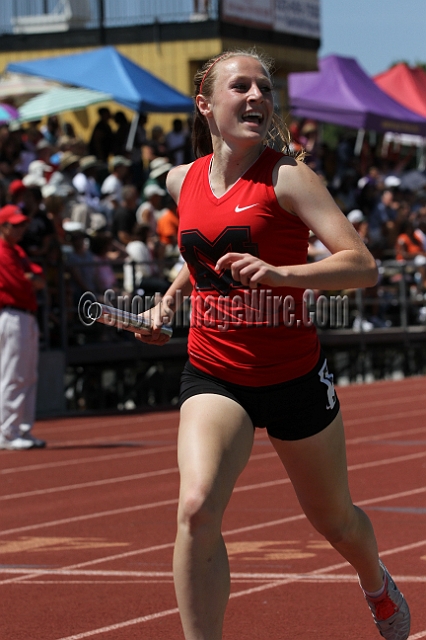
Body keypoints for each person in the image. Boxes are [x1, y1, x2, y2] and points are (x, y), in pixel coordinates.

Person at [134, 50, 411, 640]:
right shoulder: (180, 179)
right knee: (197, 507)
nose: (257, 96)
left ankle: (375, 583)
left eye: (265, 87)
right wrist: (165, 304)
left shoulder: (289, 176)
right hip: (215, 373)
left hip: (292, 376)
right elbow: (199, 254)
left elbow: (362, 266)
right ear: (206, 104)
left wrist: (286, 275)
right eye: (242, 87)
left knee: (335, 521)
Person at [0, 205, 46, 450]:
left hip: (26, 314)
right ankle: (7, 431)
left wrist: (31, 279)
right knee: (13, 374)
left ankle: (22, 429)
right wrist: (30, 279)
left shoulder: (16, 250)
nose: (19, 230)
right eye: (14, 225)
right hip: (11, 314)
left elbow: (37, 274)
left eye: (21, 225)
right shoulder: (3, 250)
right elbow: (19, 283)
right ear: (3, 226)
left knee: (28, 374)